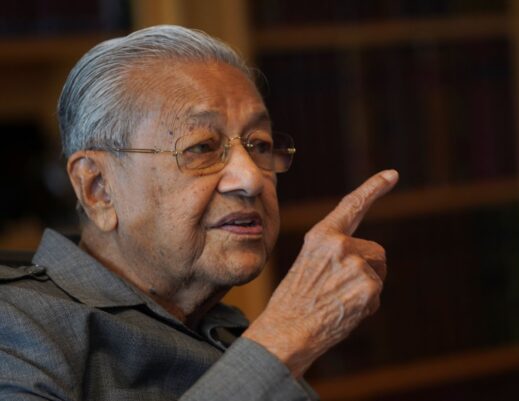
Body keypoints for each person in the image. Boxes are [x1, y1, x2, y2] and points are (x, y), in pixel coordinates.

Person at [0, 25, 398, 401]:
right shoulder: (16, 326)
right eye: (202, 148)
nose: (251, 179)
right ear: (98, 187)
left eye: (259, 144)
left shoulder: (222, 327)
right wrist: (285, 335)